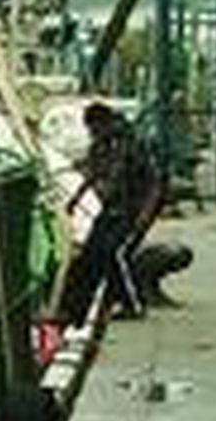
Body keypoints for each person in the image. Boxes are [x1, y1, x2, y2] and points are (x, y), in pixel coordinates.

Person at [62, 102, 158, 322]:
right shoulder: (101, 143)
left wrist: (145, 213)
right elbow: (93, 172)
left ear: (103, 123)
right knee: (90, 254)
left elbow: (153, 181)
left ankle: (134, 304)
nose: (91, 133)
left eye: (93, 128)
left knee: (116, 254)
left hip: (133, 207)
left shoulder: (130, 142)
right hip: (113, 207)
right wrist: (75, 199)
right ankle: (74, 307)